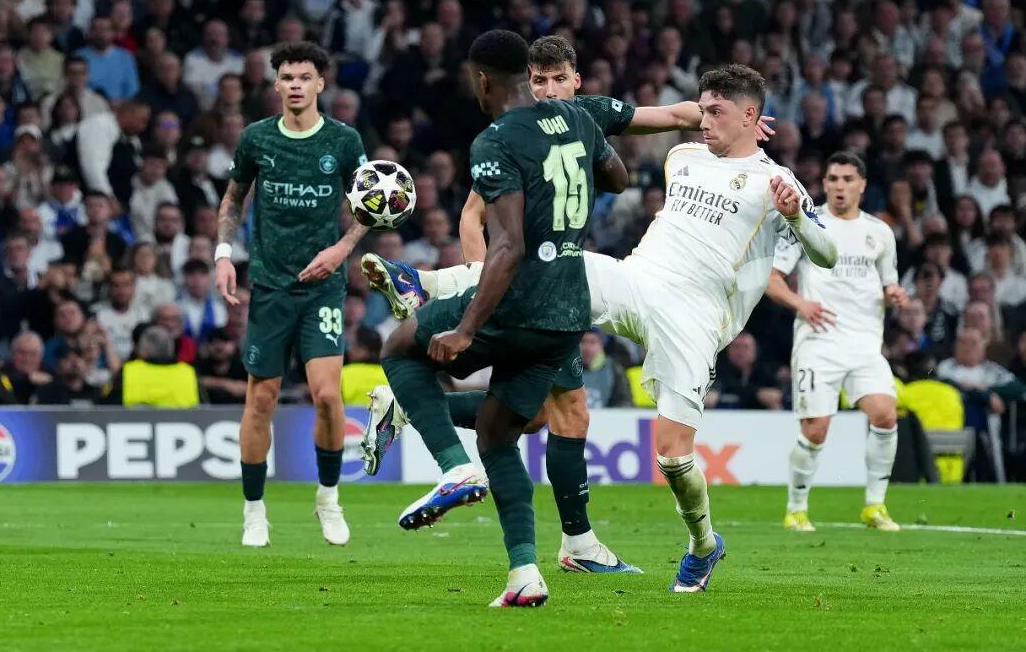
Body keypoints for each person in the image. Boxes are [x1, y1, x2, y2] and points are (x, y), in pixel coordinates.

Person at [371, 63, 835, 595]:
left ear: (750, 116)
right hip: (636, 279)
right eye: (702, 109)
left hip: (695, 318)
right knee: (554, 259)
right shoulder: (683, 157)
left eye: (716, 112)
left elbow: (826, 253)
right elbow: (670, 117)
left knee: (673, 457)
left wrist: (796, 217)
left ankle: (703, 544)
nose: (703, 120)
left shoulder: (776, 183)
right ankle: (424, 283)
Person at [375, 30, 627, 607]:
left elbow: (507, 244)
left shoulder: (495, 139)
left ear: (482, 80)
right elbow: (618, 179)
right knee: (498, 433)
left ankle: (452, 467)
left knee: (399, 347)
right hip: (568, 311)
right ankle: (524, 575)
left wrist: (466, 329)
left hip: (520, 300)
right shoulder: (578, 119)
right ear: (526, 77)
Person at [215, 41, 368, 548]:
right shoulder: (257, 138)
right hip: (270, 287)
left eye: (305, 77)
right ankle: (254, 511)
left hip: (322, 288)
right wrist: (223, 254)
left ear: (321, 83)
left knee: (327, 396)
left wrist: (341, 249)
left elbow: (369, 204)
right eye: (287, 77)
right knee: (261, 398)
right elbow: (234, 197)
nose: (296, 85)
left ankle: (328, 499)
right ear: (276, 84)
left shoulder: (343, 141)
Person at [766, 151, 910, 533]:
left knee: (885, 414)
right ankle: (796, 509)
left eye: (848, 179)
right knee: (815, 430)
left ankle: (875, 506)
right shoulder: (805, 223)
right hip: (819, 342)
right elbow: (772, 279)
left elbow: (888, 283)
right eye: (833, 179)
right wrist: (801, 304)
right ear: (824, 184)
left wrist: (894, 294)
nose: (840, 186)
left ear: (862, 185)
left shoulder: (880, 232)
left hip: (865, 343)